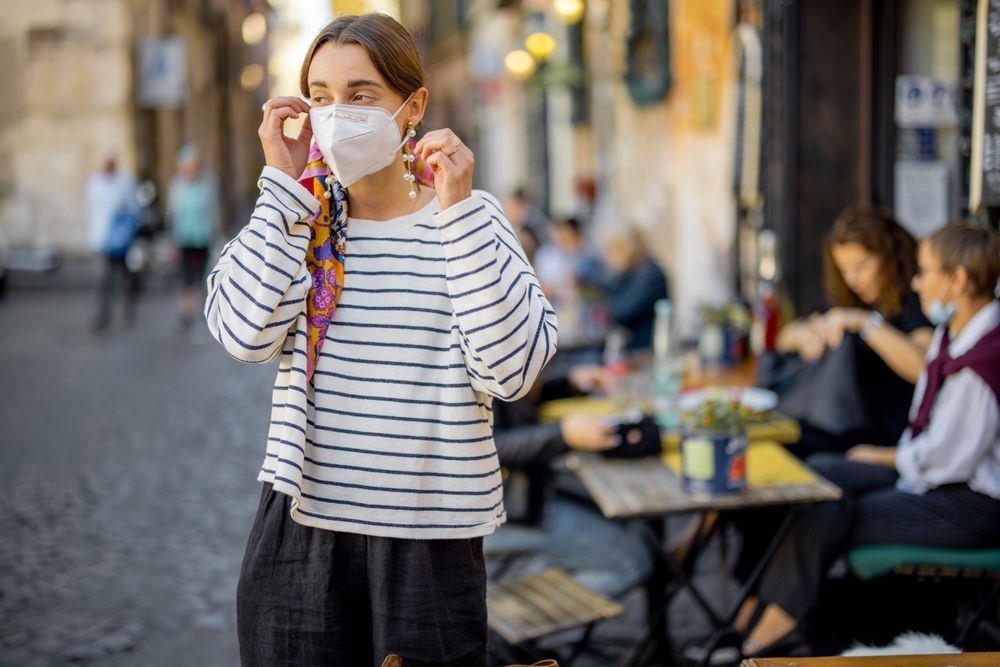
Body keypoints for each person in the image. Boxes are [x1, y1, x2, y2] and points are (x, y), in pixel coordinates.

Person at [204, 14, 557, 667]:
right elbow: (244, 333)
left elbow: (512, 370)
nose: (337, 114)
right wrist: (282, 187)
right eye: (319, 95)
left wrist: (456, 212)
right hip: (299, 537)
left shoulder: (471, 222)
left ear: (414, 105)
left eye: (361, 95)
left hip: (431, 547)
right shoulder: (295, 222)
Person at [741, 222, 1000, 657]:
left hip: (973, 505)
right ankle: (770, 625)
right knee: (820, 477)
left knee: (829, 509)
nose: (917, 282)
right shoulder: (955, 332)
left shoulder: (982, 359)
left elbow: (944, 461)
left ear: (957, 280)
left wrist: (882, 458)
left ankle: (765, 634)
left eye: (925, 272)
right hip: (937, 478)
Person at [485, 343, 652, 601]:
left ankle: (520, 598)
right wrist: (562, 434)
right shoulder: (468, 340)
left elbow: (509, 401)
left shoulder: (478, 332)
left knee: (621, 522)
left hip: (525, 495)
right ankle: (508, 617)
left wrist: (568, 384)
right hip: (502, 512)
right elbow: (483, 447)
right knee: (634, 562)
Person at [773, 207, 933, 457]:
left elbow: (924, 366)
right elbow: (783, 339)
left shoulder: (914, 305)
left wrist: (864, 323)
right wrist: (805, 334)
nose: (853, 279)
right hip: (837, 424)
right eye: (844, 270)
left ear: (889, 257)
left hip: (885, 437)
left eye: (861, 266)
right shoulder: (849, 300)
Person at [166, 144, 220, 329]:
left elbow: (214, 211)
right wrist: (172, 241)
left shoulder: (208, 183)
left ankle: (209, 312)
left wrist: (217, 235)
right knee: (187, 278)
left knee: (205, 277)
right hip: (184, 239)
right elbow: (171, 213)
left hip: (203, 238)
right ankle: (187, 313)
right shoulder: (176, 185)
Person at [85, 155, 140, 331]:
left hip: (121, 241)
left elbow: (132, 209)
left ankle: (128, 305)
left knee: (125, 275)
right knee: (105, 279)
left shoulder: (124, 183)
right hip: (104, 241)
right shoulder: (94, 184)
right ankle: (104, 312)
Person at [599, 224, 669, 350]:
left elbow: (620, 311)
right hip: (631, 347)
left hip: (645, 351)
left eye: (611, 251)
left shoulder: (649, 275)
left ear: (625, 249)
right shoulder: (632, 271)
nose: (607, 257)